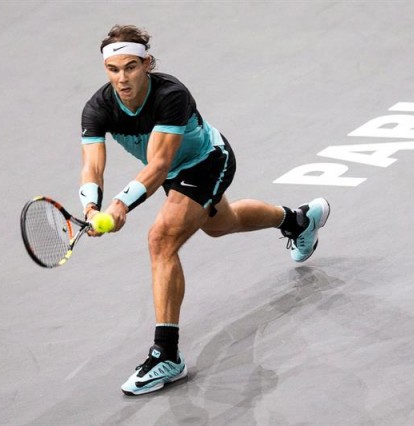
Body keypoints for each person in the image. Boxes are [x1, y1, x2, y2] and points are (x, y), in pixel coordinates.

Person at [79, 24, 330, 396]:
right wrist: (90, 208)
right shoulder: (98, 108)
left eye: (130, 67)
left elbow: (160, 164)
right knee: (221, 224)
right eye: (113, 70)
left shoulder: (171, 95)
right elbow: (92, 166)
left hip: (207, 159)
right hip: (174, 173)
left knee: (161, 240)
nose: (122, 78)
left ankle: (167, 354)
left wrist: (120, 205)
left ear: (147, 63)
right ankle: (297, 220)